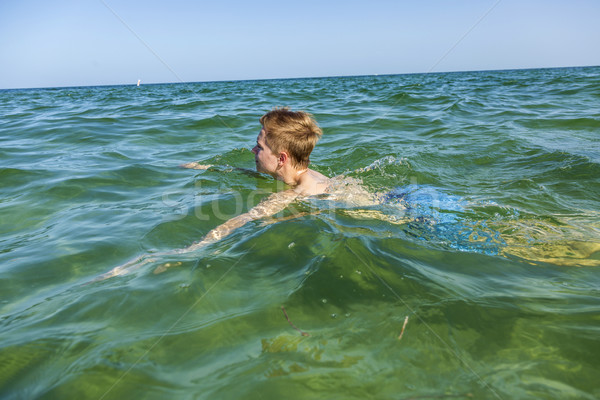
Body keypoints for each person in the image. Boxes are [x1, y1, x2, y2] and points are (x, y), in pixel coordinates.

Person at [94, 108, 336, 280]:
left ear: (282, 158)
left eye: (259, 147)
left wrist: (181, 253)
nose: (253, 150)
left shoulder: (294, 193)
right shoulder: (302, 173)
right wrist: (208, 167)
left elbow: (242, 220)